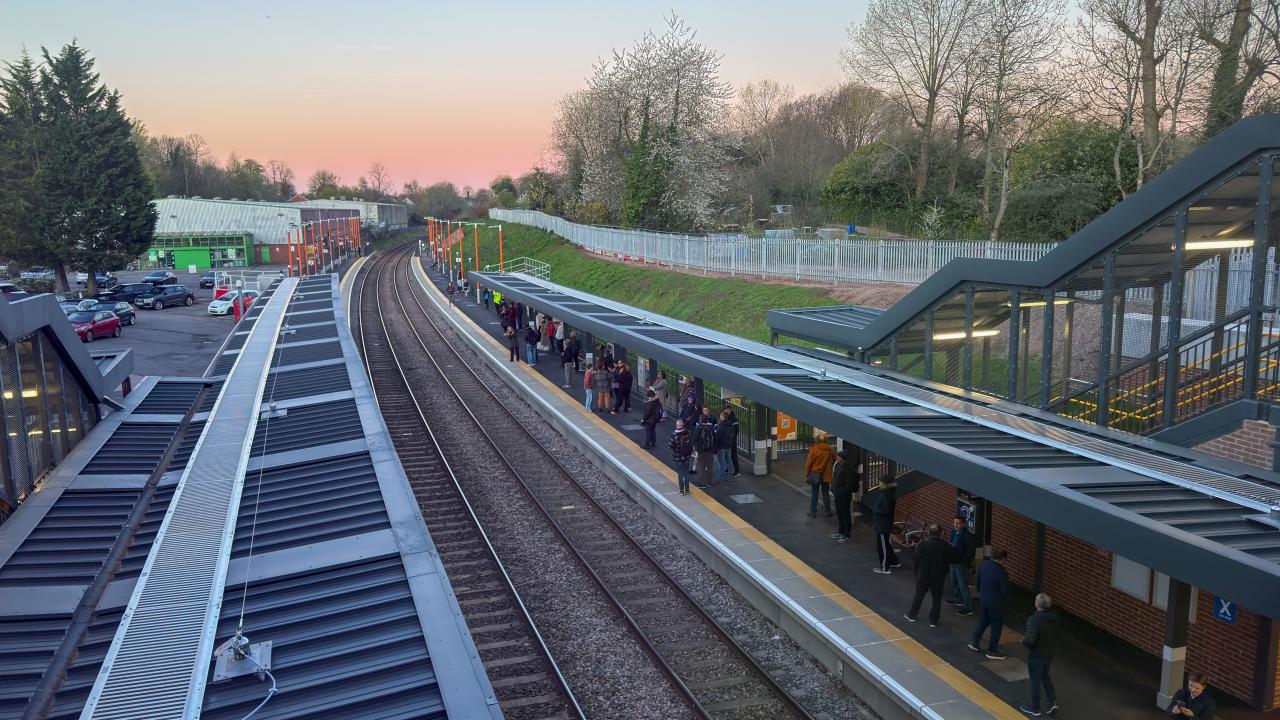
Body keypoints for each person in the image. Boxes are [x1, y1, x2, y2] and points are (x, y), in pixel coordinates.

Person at [905, 524, 956, 628]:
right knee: (937, 599)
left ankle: (912, 615)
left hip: (924, 575)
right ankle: (933, 621)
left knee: (919, 595)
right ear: (941, 533)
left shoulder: (924, 544)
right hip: (938, 577)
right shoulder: (945, 546)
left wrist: (912, 549)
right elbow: (953, 558)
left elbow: (916, 558)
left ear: (929, 533)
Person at [1019, 593, 1060, 717]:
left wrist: (1023, 641)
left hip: (1037, 654)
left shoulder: (1034, 620)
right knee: (1045, 675)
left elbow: (1030, 640)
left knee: (1035, 680)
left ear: (1037, 604)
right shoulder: (1055, 617)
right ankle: (1052, 702)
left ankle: (1034, 708)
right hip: (1050, 652)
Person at [968, 548, 1010, 660]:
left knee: (983, 621)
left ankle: (974, 643)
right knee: (996, 626)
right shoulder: (1002, 572)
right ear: (1003, 559)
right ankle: (992, 650)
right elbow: (1005, 591)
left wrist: (979, 592)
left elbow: (977, 579)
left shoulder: (984, 564)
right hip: (996, 603)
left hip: (984, 599)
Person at [947, 515, 977, 616]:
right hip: (952, 561)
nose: (955, 525)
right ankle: (958, 599)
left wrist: (963, 563)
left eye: (958, 523)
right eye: (954, 522)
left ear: (964, 524)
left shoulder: (968, 536)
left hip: (960, 564)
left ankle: (968, 607)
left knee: (963, 585)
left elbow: (970, 552)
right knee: (953, 581)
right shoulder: (953, 532)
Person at [803, 435, 837, 519]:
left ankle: (812, 512)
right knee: (825, 493)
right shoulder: (830, 449)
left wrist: (807, 474)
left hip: (815, 475)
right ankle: (827, 511)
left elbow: (808, 464)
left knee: (815, 493)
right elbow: (835, 459)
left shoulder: (814, 450)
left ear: (817, 440)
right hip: (826, 475)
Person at [871, 476, 899, 574]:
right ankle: (894, 561)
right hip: (883, 523)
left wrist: (875, 510)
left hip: (883, 525)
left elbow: (886, 510)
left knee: (883, 546)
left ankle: (885, 567)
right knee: (887, 543)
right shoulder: (888, 493)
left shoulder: (886, 495)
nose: (879, 483)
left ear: (884, 484)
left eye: (880, 482)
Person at [830, 448, 857, 542]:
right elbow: (835, 479)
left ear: (843, 458)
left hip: (844, 495)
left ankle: (846, 534)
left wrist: (840, 491)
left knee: (845, 514)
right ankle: (840, 531)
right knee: (839, 513)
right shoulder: (838, 466)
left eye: (839, 456)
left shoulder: (848, 469)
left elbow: (850, 485)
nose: (837, 457)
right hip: (837, 494)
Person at [668, 420, 694, 494]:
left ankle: (682, 490)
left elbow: (670, 445)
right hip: (686, 457)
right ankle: (687, 489)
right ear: (683, 425)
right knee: (686, 472)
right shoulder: (687, 433)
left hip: (678, 457)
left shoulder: (674, 434)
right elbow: (691, 443)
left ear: (677, 425)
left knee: (680, 473)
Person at [694, 406, 717, 488]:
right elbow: (715, 438)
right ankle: (709, 482)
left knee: (702, 466)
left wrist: (695, 447)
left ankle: (702, 482)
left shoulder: (699, 428)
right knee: (710, 466)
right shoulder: (711, 428)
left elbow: (695, 439)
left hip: (701, 450)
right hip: (710, 450)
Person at [714, 409, 735, 483]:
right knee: (729, 461)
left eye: (720, 416)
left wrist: (715, 448)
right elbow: (733, 434)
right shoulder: (730, 425)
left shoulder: (721, 427)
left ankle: (720, 477)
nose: (719, 417)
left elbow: (717, 437)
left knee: (721, 463)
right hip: (728, 446)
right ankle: (730, 476)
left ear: (723, 417)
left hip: (721, 447)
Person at [726, 406, 741, 476]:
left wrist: (732, 436)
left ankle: (736, 470)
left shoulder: (733, 419)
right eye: (726, 409)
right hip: (726, 439)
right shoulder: (726, 418)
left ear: (731, 410)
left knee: (733, 455)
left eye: (728, 409)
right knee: (727, 454)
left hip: (732, 440)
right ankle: (729, 467)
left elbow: (736, 430)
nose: (727, 411)